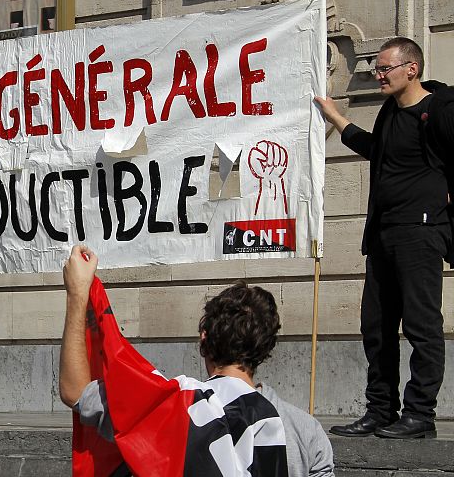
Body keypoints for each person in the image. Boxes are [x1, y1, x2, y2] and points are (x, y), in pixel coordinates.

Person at [60, 245, 314, 476]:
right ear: (265, 346)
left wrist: (77, 293)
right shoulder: (303, 429)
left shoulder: (172, 404)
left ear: (204, 337)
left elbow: (75, 393)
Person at [315, 37, 454, 439]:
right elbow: (376, 151)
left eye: (384, 68)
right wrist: (335, 116)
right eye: (376, 68)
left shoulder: (439, 110)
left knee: (422, 325)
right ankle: (380, 410)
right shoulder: (390, 113)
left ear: (411, 69)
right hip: (383, 234)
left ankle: (420, 415)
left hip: (421, 232)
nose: (377, 75)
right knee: (375, 326)